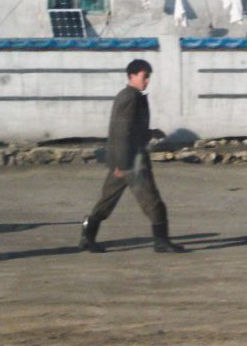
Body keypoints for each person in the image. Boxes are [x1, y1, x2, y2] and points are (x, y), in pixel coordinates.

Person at [79, 59, 185, 254]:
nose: (147, 81)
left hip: (124, 160)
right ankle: (161, 242)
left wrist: (151, 133)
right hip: (131, 162)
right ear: (132, 76)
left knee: (107, 201)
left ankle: (87, 236)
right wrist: (121, 163)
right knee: (153, 202)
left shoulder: (132, 95)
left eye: (149, 78)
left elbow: (132, 128)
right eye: (144, 77)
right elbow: (121, 131)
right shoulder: (131, 97)